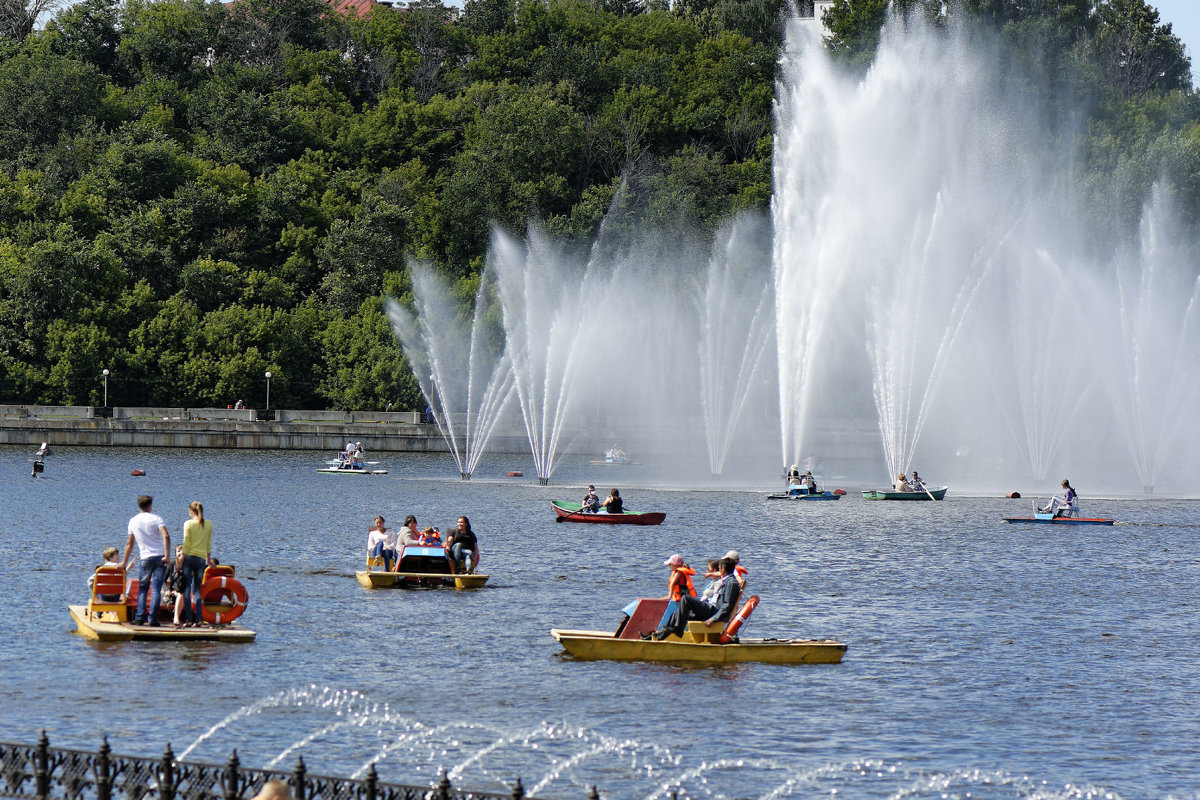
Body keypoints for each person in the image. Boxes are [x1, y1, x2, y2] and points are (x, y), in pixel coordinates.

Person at [650, 557, 741, 640]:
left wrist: (713, 619)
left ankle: (678, 629)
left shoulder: (731, 583)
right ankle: (658, 637)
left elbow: (727, 606)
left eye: (720, 568)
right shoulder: (726, 580)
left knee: (686, 599)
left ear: (723, 569)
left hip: (712, 612)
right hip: (709, 608)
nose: (718, 571)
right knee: (676, 613)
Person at [122, 495, 170, 627]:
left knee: (143, 589)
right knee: (156, 588)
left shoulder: (133, 521)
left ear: (139, 505)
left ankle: (139, 618)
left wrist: (124, 562)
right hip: (160, 557)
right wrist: (167, 555)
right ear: (150, 505)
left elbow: (129, 544)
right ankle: (153, 619)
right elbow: (165, 535)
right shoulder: (157, 519)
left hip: (145, 558)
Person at [180, 501, 213, 627]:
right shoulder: (209, 524)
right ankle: (198, 619)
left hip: (188, 558)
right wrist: (208, 560)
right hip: (201, 559)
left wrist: (180, 561)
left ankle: (189, 619)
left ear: (191, 512)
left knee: (187, 590)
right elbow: (208, 543)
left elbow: (186, 543)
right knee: (197, 590)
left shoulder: (188, 523)